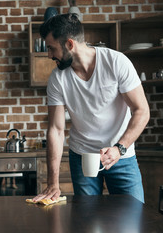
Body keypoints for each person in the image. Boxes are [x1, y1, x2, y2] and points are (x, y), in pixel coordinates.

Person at [33, 14, 150, 203]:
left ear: (70, 44)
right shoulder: (57, 79)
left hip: (121, 157)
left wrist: (119, 148)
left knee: (132, 219)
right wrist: (52, 181)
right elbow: (55, 129)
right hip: (82, 157)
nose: (49, 55)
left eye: (51, 48)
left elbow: (142, 110)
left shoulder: (116, 62)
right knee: (87, 221)